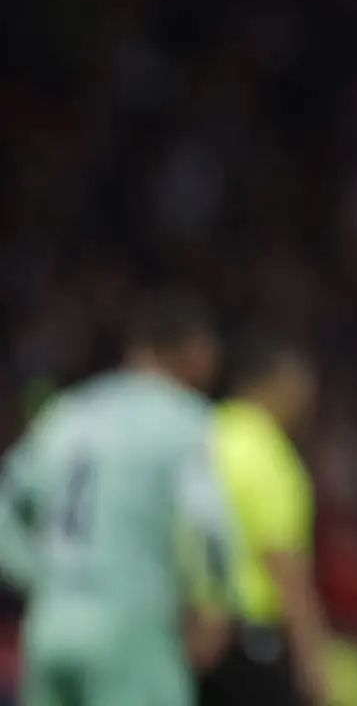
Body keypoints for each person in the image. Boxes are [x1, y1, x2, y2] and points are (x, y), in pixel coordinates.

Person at [0, 290, 235, 706]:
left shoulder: (69, 413)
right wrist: (214, 604)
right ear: (197, 351)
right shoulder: (182, 419)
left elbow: (6, 507)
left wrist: (41, 577)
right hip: (132, 628)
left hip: (52, 624)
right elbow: (208, 525)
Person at [202, 336, 330, 706]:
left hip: (196, 636)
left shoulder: (205, 434)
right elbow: (283, 563)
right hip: (251, 644)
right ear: (281, 382)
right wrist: (312, 660)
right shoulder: (266, 455)